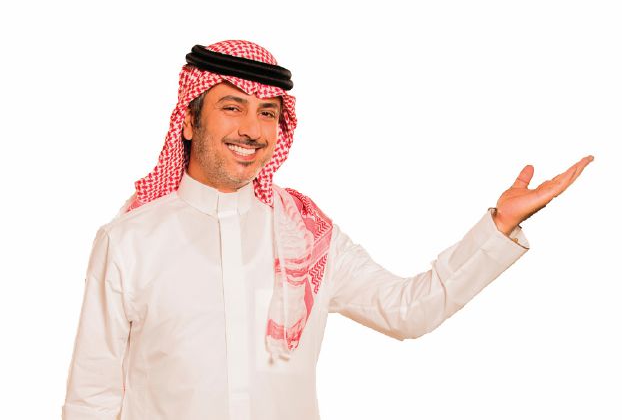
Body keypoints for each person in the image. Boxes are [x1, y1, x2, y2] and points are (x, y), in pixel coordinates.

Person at [61, 40, 594, 420]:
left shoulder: (307, 234)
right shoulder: (129, 241)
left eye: (268, 113)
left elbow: (409, 310)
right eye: (232, 107)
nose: (252, 129)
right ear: (190, 119)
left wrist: (499, 225)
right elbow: (92, 398)